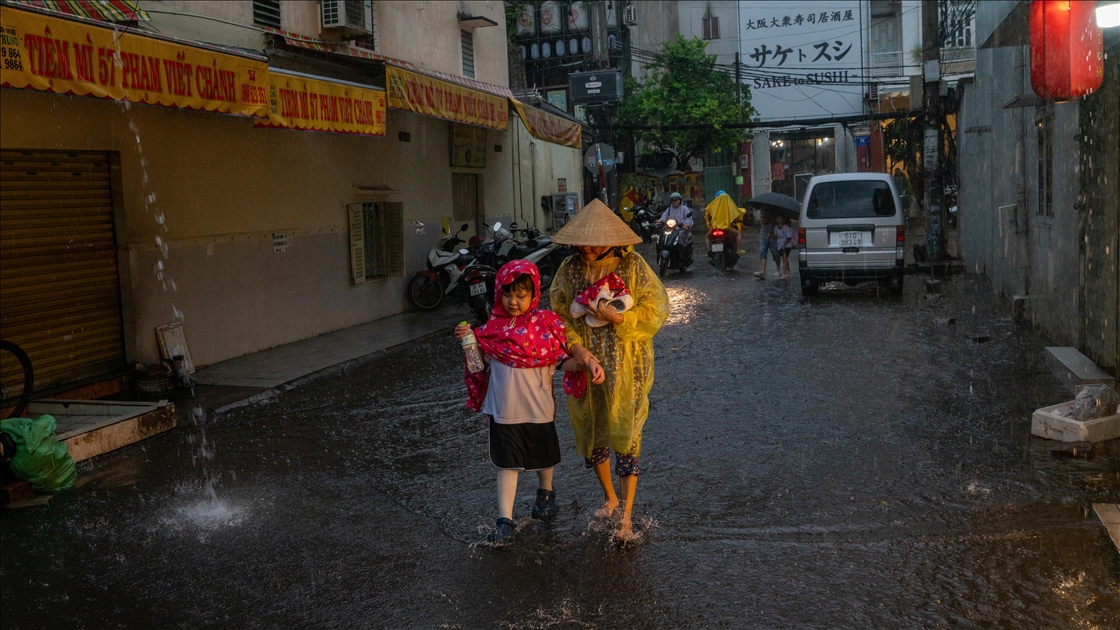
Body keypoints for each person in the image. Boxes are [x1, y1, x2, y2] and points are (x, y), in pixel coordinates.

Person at [456, 260, 605, 545]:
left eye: (521, 295)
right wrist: (468, 342)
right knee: (506, 465)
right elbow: (478, 366)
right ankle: (504, 521)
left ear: (534, 294)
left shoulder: (547, 326)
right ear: (498, 292)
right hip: (503, 411)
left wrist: (589, 363)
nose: (513, 302)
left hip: (539, 411)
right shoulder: (490, 329)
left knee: (544, 459)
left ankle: (546, 492)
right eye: (507, 295)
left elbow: (562, 362)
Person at [549, 199, 670, 542]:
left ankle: (626, 515)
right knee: (593, 432)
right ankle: (610, 496)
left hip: (628, 363)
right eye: (582, 241)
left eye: (594, 241)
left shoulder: (633, 265)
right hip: (586, 366)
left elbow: (657, 306)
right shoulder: (569, 270)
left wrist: (620, 318)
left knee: (628, 434)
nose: (586, 247)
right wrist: (577, 348)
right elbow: (558, 314)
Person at [703, 190, 744, 255]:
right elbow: (736, 215)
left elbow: (707, 216)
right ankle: (738, 250)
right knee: (738, 234)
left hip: (715, 228)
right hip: (727, 228)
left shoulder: (713, 206)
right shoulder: (729, 206)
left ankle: (708, 252)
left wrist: (711, 226)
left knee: (707, 237)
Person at [754, 212, 780, 280]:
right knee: (762, 251)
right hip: (763, 235)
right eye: (762, 217)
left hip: (773, 236)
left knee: (775, 253)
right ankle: (763, 271)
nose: (762, 219)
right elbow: (763, 221)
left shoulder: (775, 212)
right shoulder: (764, 208)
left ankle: (778, 269)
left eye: (764, 217)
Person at [773, 214, 794, 279]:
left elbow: (788, 237)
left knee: (784, 258)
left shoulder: (786, 227)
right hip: (779, 244)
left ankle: (784, 273)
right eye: (777, 218)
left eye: (780, 218)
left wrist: (784, 245)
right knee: (784, 258)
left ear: (783, 219)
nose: (778, 219)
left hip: (786, 245)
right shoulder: (776, 227)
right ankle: (789, 270)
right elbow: (776, 235)